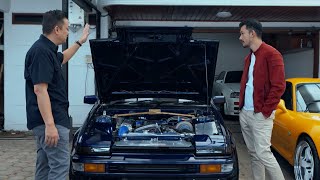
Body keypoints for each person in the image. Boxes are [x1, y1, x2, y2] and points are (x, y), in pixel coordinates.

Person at [24, 10, 89, 180]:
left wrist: (80, 42)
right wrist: (50, 125)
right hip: (50, 121)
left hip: (47, 121)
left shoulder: (47, 50)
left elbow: (63, 57)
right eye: (67, 28)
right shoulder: (41, 52)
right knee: (59, 167)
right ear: (57, 29)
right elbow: (40, 90)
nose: (68, 32)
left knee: (45, 166)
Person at [238, 19, 286, 180]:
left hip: (260, 114)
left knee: (263, 153)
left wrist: (265, 111)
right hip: (245, 112)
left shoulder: (272, 54)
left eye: (242, 33)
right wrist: (242, 109)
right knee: (253, 153)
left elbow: (279, 86)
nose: (240, 37)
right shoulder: (248, 58)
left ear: (252, 34)